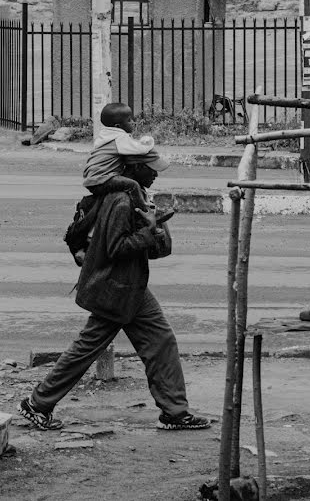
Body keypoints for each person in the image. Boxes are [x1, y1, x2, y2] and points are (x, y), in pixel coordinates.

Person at [18, 159, 210, 432]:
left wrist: (156, 226)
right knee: (87, 349)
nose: (155, 174)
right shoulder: (121, 200)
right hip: (115, 289)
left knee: (161, 342)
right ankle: (37, 403)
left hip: (130, 287)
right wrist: (150, 230)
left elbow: (158, 250)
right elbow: (116, 248)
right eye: (150, 168)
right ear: (132, 168)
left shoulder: (137, 196)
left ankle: (175, 412)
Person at [82, 103, 167, 213]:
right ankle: (144, 211)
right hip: (103, 179)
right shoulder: (119, 138)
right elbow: (140, 149)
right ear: (118, 126)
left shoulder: (104, 137)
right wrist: (148, 142)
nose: (133, 122)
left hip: (93, 180)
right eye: (129, 120)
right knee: (133, 185)